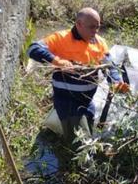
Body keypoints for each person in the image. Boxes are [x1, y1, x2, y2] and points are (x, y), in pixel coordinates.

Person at [28, 8, 129, 146]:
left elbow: (110, 67)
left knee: (85, 139)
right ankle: (73, 165)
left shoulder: (99, 43)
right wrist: (57, 61)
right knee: (82, 145)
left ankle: (67, 157)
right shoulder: (61, 38)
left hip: (87, 102)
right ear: (79, 24)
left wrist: (117, 82)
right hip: (67, 102)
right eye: (92, 27)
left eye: (98, 27)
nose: (95, 31)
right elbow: (33, 49)